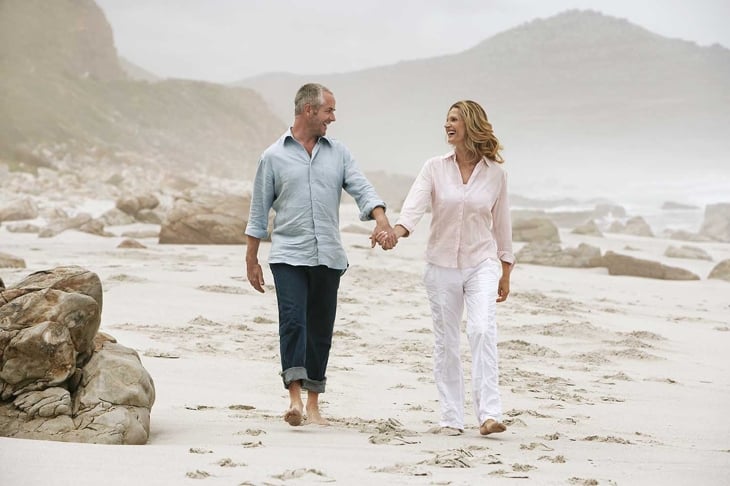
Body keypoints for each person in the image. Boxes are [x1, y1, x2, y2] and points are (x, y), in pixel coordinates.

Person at [245, 83, 396, 427]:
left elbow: (361, 188)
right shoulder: (273, 156)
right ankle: (294, 400)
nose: (333, 117)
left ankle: (314, 403)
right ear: (309, 111)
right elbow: (258, 211)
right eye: (329, 110)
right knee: (294, 322)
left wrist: (382, 219)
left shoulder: (338, 153)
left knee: (320, 330)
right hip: (288, 254)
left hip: (328, 255)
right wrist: (251, 258)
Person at [376, 100, 514, 436]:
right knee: (447, 342)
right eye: (446, 120)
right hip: (441, 266)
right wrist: (395, 232)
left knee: (482, 330)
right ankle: (452, 418)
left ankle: (489, 414)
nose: (447, 125)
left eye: (454, 120)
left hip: (481, 263)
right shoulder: (434, 168)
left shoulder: (496, 175)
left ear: (470, 124)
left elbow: (502, 223)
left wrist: (506, 269)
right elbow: (415, 207)